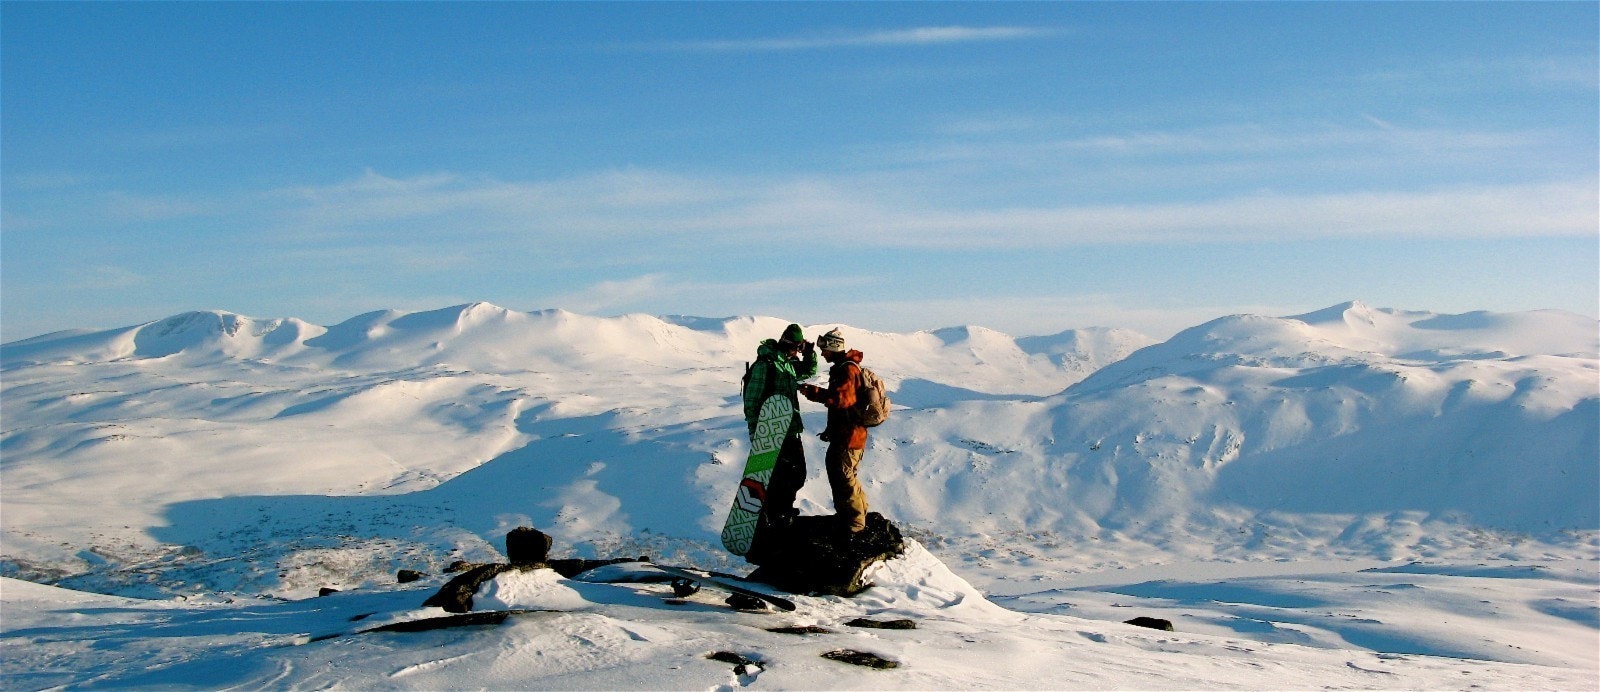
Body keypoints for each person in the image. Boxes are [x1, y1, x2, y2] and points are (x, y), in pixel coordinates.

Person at [742, 323, 817, 538]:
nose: (798, 351)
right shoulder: (765, 365)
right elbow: (752, 399)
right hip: (771, 432)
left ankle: (781, 513)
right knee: (779, 478)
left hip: (790, 429)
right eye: (797, 347)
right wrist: (755, 430)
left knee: (796, 475)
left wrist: (809, 354)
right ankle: (775, 516)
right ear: (788, 345)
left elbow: (809, 371)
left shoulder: (787, 364)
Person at [799, 327, 870, 535]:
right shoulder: (846, 367)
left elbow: (842, 400)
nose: (822, 353)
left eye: (824, 349)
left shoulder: (846, 370)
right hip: (849, 434)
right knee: (846, 475)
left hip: (849, 436)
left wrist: (814, 392)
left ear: (833, 347)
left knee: (843, 477)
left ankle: (854, 523)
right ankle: (856, 515)